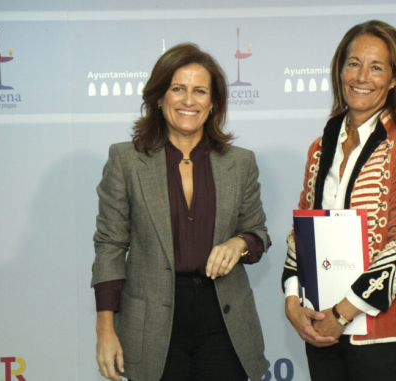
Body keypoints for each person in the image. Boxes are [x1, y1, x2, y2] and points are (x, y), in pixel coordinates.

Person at [91, 43, 271, 381]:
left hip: (224, 321)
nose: (189, 100)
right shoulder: (125, 160)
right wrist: (105, 329)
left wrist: (238, 244)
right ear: (159, 98)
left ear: (213, 102)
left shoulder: (240, 162)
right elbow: (110, 246)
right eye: (178, 89)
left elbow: (258, 232)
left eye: (200, 91)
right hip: (152, 325)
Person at [282, 20, 396, 380]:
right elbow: (303, 230)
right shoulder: (321, 146)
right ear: (340, 70)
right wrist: (293, 300)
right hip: (321, 328)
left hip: (385, 334)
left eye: (377, 67)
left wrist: (342, 313)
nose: (362, 76)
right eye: (353, 63)